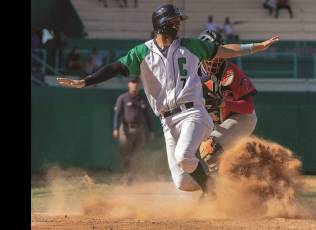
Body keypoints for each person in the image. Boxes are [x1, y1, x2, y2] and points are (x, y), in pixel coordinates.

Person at [57, 4, 279, 195]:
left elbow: (224, 50)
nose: (178, 25)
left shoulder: (190, 46)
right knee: (182, 182)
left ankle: (211, 191)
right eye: (174, 21)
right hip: (166, 121)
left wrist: (256, 47)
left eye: (178, 21)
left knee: (185, 155)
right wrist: (85, 81)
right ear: (162, 24)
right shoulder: (141, 53)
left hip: (193, 112)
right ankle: (221, 188)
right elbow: (114, 67)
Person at [197, 30, 258, 175]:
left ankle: (217, 191)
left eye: (218, 52)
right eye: (211, 52)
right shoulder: (191, 72)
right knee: (226, 160)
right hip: (216, 121)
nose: (215, 57)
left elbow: (249, 107)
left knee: (210, 148)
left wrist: (224, 103)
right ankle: (247, 181)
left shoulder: (230, 72)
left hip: (241, 117)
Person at [113, 79, 154, 183]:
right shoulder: (123, 98)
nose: (135, 85)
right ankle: (127, 175)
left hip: (140, 129)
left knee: (137, 155)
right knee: (126, 154)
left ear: (139, 85)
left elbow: (147, 116)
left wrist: (151, 130)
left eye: (136, 83)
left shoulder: (142, 98)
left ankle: (134, 177)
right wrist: (115, 128)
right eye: (133, 83)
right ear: (129, 84)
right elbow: (117, 114)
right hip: (126, 129)